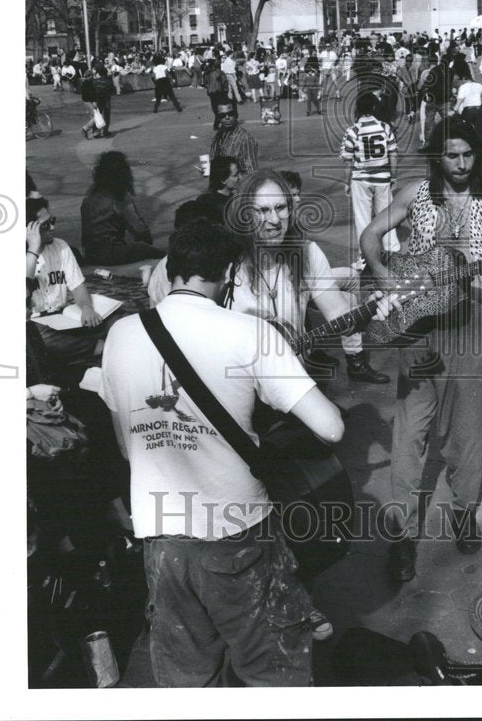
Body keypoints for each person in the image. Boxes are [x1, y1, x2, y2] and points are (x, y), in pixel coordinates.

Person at [101, 219, 344, 686]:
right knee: (272, 670)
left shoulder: (121, 335)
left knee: (189, 678)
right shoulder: (247, 332)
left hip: (162, 539)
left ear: (172, 267)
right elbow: (330, 428)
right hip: (239, 534)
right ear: (229, 272)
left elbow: (127, 448)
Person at [360, 119, 482, 581]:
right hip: (419, 323)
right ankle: (401, 533)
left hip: (474, 320)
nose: (460, 164)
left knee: (470, 431)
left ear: (478, 155)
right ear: (437, 156)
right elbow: (369, 236)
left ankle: (463, 510)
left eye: (467, 155)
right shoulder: (415, 194)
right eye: (451, 155)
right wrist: (382, 273)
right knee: (409, 432)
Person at [223, 170, 391, 385]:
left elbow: (339, 317)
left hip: (292, 380)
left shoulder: (308, 254)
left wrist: (367, 312)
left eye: (280, 208)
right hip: (236, 383)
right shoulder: (227, 261)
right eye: (263, 210)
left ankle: (355, 363)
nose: (274, 220)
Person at [26, 197, 105, 382]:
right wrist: (34, 249)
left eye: (52, 221)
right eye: (45, 225)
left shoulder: (61, 246)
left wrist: (86, 308)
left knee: (116, 318)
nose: (52, 228)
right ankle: (97, 348)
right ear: (30, 230)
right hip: (36, 325)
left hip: (63, 319)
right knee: (40, 341)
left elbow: (78, 286)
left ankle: (83, 351)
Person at [341, 93, 400, 254]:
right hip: (382, 177)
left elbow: (347, 160)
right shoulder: (385, 128)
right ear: (374, 107)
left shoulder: (353, 131)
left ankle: (365, 256)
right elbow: (393, 154)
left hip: (360, 179)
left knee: (363, 220)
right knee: (387, 217)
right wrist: (393, 175)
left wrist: (346, 182)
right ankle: (392, 251)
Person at [80, 151, 164, 265]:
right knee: (152, 252)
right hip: (110, 252)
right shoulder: (118, 196)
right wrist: (146, 240)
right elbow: (138, 228)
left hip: (90, 253)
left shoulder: (91, 193)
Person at [209, 103, 259, 179]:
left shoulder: (245, 138)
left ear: (236, 114)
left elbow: (251, 174)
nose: (227, 117)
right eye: (222, 115)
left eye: (230, 114)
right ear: (218, 118)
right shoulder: (217, 137)